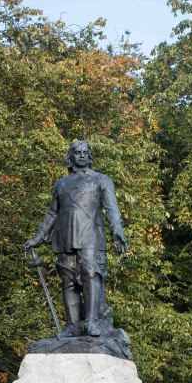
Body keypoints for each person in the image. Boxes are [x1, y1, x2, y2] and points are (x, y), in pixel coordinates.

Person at [24, 139, 127, 337]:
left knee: (90, 274)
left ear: (89, 156)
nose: (81, 155)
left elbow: (111, 209)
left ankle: (92, 322)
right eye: (77, 152)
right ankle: (72, 325)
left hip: (91, 237)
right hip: (65, 237)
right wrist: (38, 238)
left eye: (84, 152)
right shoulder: (61, 183)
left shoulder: (101, 180)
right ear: (71, 156)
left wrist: (117, 230)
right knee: (68, 281)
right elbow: (52, 213)